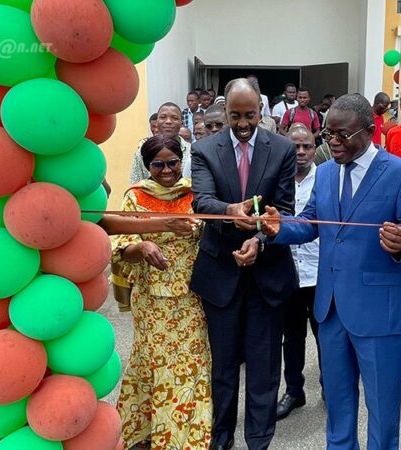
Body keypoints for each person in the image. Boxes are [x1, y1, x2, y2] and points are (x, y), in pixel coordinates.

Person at [262, 93, 401, 450]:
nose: (334, 142)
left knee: (383, 410)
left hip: (378, 314)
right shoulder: (324, 173)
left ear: (369, 131)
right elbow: (310, 223)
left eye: (343, 135)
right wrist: (278, 228)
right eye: (328, 135)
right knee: (338, 406)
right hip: (331, 309)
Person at [190, 78, 298, 450]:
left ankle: (258, 441)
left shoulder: (282, 149)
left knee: (265, 368)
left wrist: (259, 238)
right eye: (234, 115)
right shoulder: (204, 149)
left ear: (261, 112)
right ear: (224, 113)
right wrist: (227, 211)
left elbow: (285, 210)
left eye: (249, 115)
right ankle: (221, 440)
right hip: (221, 274)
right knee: (222, 368)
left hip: (267, 275)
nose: (242, 124)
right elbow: (201, 201)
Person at [113, 135, 212, 450]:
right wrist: (141, 245)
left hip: (191, 297)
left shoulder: (196, 194)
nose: (167, 170)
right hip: (151, 301)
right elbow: (118, 249)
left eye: (172, 162)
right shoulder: (135, 198)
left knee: (191, 363)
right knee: (153, 363)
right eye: (158, 164)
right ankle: (147, 431)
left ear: (181, 161)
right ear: (147, 166)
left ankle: (189, 439)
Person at [276, 125, 321, 421]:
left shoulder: (329, 178)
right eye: (295, 147)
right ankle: (294, 391)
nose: (301, 152)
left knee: (327, 337)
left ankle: (331, 386)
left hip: (321, 274)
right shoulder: (275, 180)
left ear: (315, 148)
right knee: (291, 338)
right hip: (288, 273)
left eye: (306, 146)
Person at [130, 103, 191, 184]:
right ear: (157, 122)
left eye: (174, 118)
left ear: (181, 123)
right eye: (163, 117)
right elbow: (135, 183)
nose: (168, 121)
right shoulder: (142, 152)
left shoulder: (192, 151)